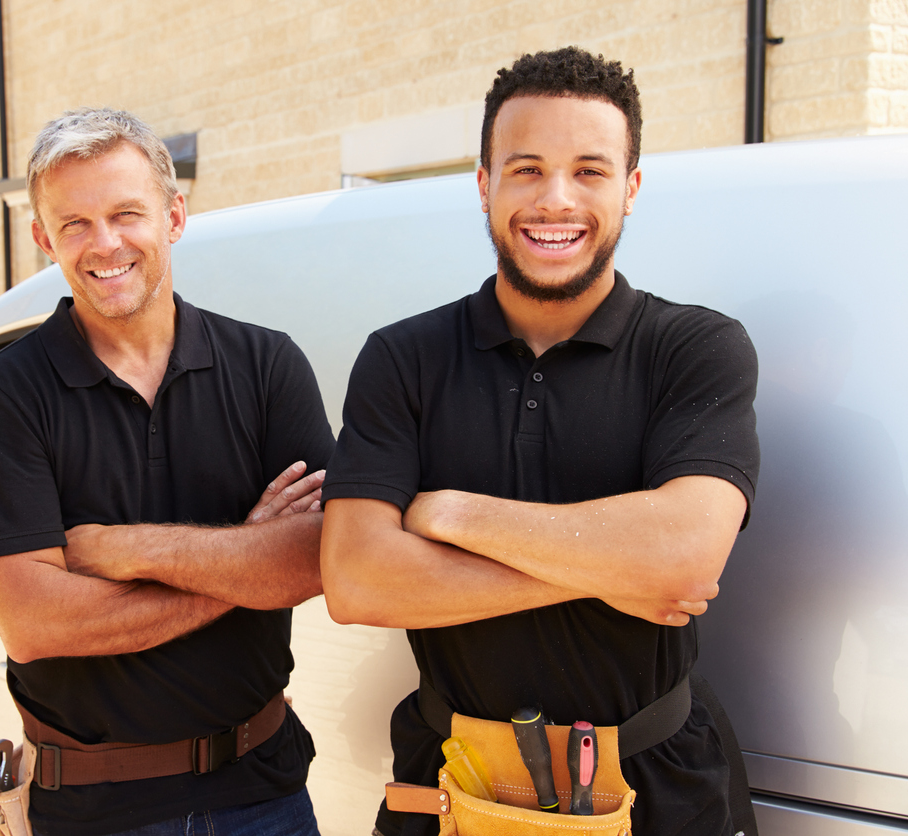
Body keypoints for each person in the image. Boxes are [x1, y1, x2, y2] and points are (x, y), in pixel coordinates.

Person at [319, 47, 759, 836]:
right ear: (484, 185)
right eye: (526, 169)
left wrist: (448, 512)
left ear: (629, 189)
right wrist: (614, 573)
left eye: (590, 171)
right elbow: (356, 583)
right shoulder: (404, 358)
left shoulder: (695, 348)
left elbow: (684, 560)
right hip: (451, 783)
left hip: (658, 788)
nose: (556, 200)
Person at [0, 107, 333, 836]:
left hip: (267, 795)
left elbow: (316, 560)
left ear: (174, 216)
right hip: (98, 812)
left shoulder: (266, 366)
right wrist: (243, 561)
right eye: (74, 224)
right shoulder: (3, 396)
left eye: (127, 213)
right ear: (43, 239)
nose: (105, 244)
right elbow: (34, 623)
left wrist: (122, 549)